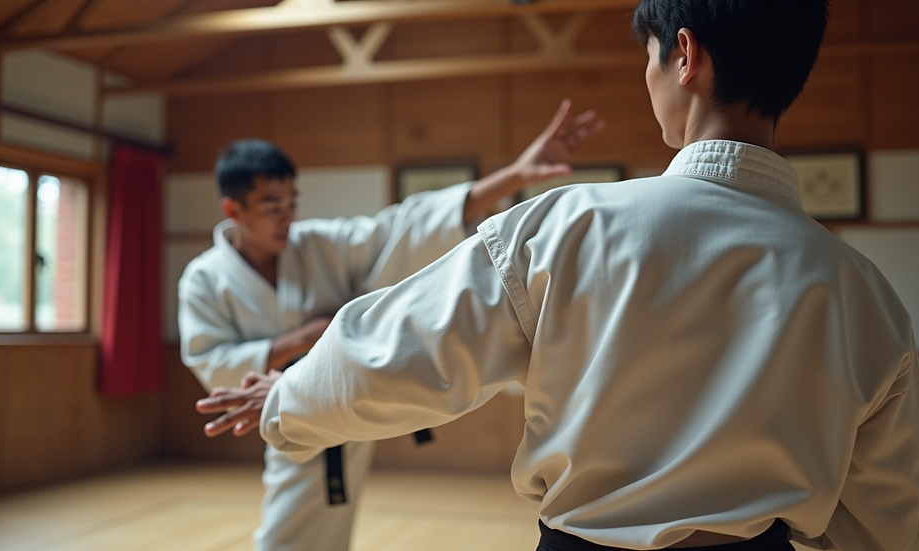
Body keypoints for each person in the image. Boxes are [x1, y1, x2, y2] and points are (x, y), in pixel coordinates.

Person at [198, 0, 919, 549]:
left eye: (649, 58)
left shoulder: (569, 227)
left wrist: (286, 396)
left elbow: (411, 347)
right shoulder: (863, 291)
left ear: (684, 55)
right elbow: (878, 516)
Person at [180, 101, 605, 551]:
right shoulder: (204, 279)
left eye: (291, 203)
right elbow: (212, 361)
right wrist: (302, 339)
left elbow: (401, 229)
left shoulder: (317, 245)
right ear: (233, 210)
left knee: (327, 518)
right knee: (294, 523)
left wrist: (517, 174)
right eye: (271, 206)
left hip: (340, 394)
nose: (287, 217)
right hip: (287, 402)